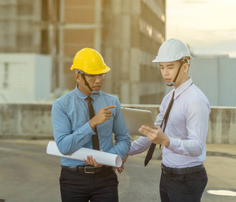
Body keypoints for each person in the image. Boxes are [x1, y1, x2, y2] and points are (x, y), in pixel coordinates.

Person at [120, 38, 210, 202]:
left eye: (170, 67)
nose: (165, 73)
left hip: (187, 178)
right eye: (162, 67)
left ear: (185, 66)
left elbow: (197, 147)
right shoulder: (169, 98)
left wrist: (167, 141)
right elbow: (153, 135)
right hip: (168, 175)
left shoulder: (196, 100)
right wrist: (126, 150)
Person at [51, 47, 131, 202]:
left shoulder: (112, 102)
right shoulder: (61, 105)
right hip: (73, 179)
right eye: (93, 76)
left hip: (105, 178)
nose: (99, 80)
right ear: (78, 76)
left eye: (101, 74)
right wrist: (93, 123)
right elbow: (64, 146)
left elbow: (124, 140)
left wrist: (106, 158)